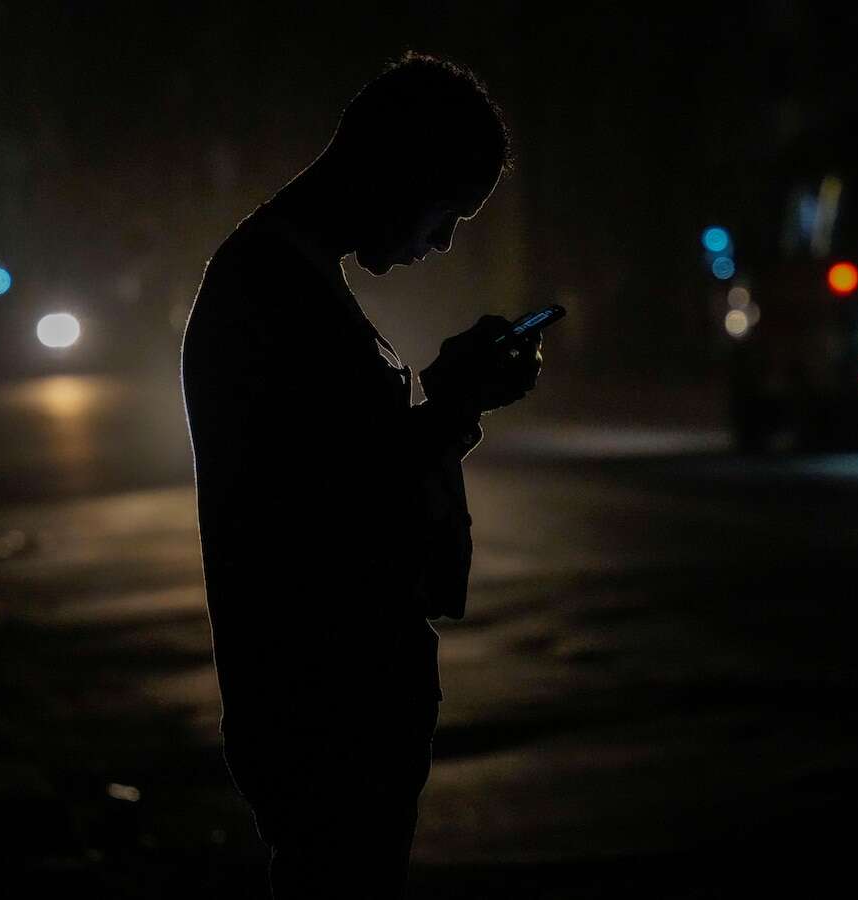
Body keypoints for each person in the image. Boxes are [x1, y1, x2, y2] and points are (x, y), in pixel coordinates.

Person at [179, 52, 543, 897]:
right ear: (399, 170)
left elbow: (345, 464)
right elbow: (324, 504)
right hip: (321, 702)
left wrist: (451, 401)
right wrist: (453, 406)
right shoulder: (271, 291)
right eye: (445, 211)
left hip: (334, 696)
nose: (443, 241)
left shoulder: (292, 279)